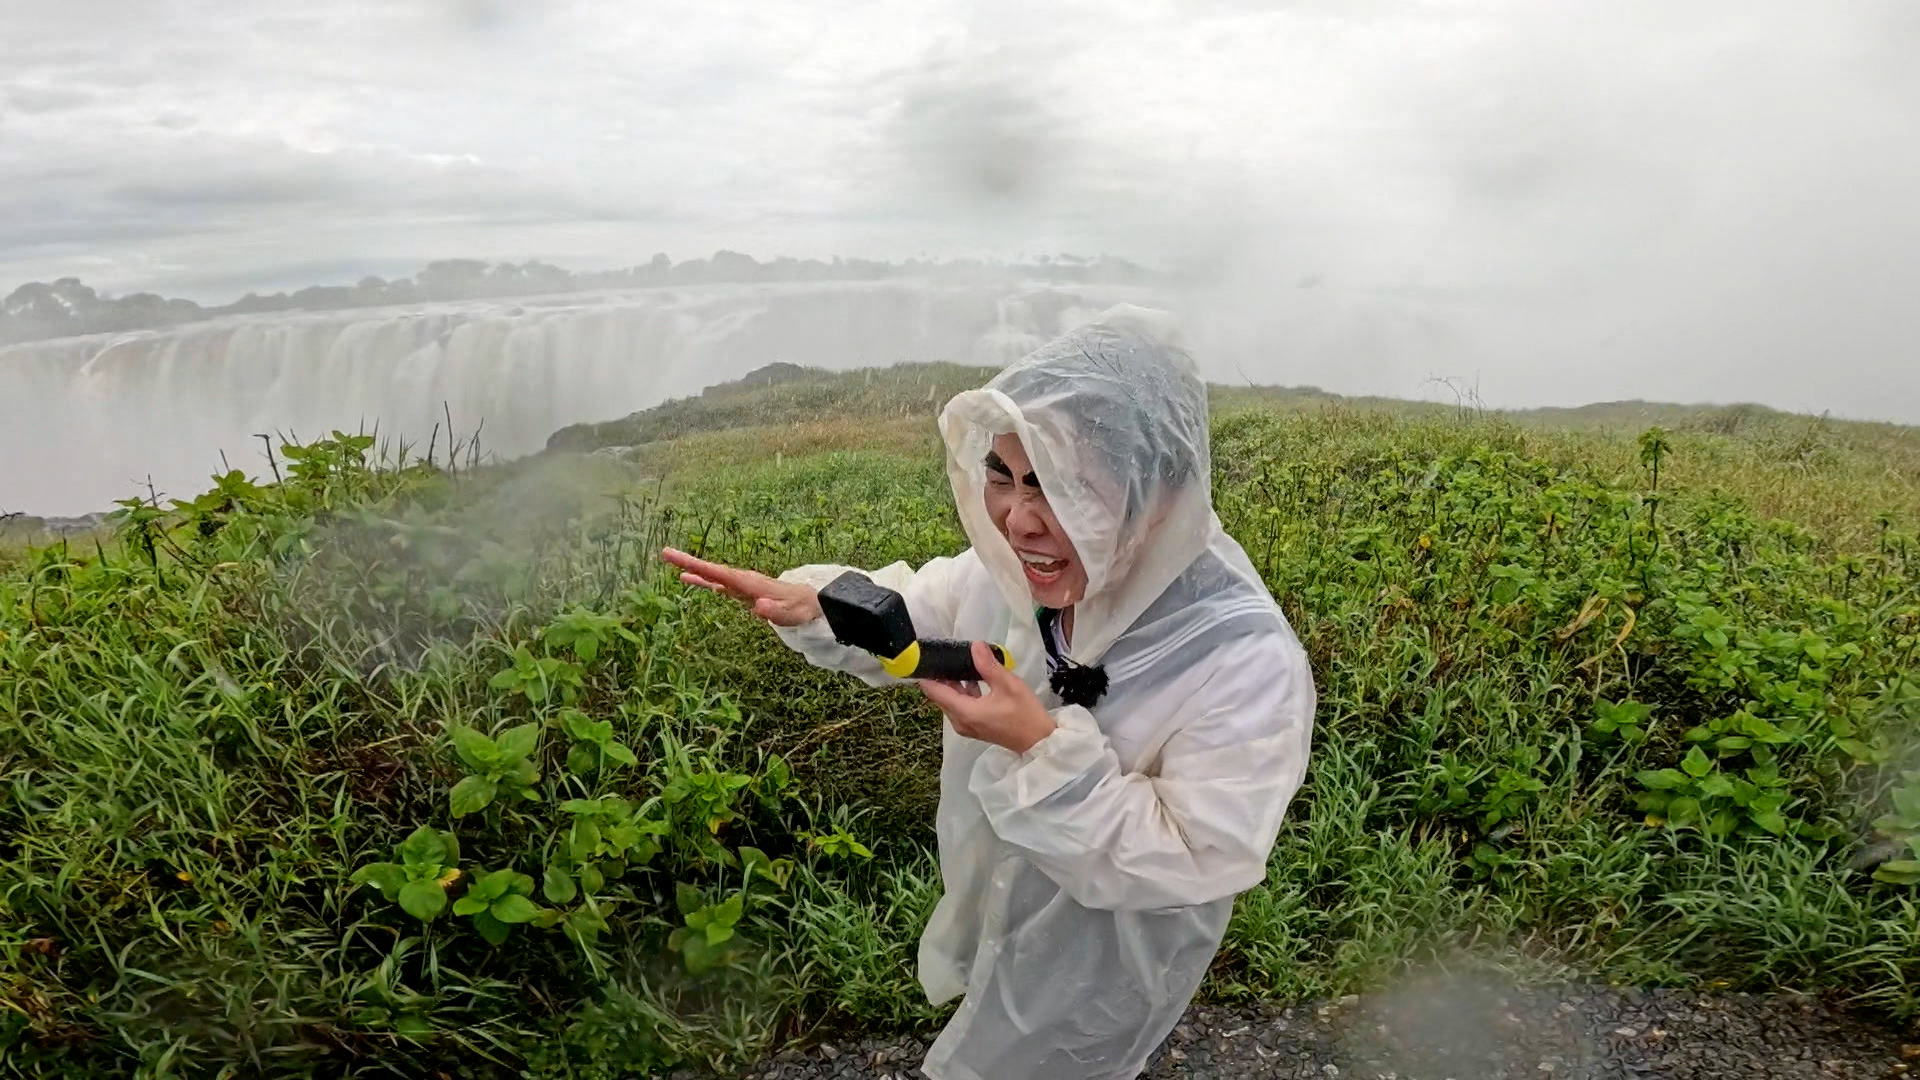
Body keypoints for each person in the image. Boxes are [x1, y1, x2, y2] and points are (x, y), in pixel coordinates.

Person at [660, 308, 1316, 1080]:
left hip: (1104, 960)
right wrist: (819, 603)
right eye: (1001, 477)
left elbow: (1194, 856)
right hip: (1003, 892)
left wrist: (1038, 748)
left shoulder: (1242, 657)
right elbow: (927, 614)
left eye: (1061, 489)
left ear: (1159, 489)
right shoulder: (1030, 580)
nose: (1018, 520)